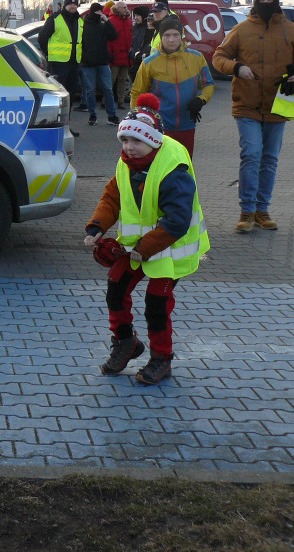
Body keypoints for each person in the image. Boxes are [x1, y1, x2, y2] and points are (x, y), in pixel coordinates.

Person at [83, 93, 209, 385]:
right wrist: (96, 227)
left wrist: (144, 248)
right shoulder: (126, 162)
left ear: (153, 140)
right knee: (116, 287)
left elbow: (177, 220)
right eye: (124, 141)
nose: (129, 147)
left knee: (156, 303)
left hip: (170, 249)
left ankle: (162, 359)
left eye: (136, 141)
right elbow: (112, 198)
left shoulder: (174, 169)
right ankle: (126, 342)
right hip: (138, 248)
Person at [212, 0, 294, 232]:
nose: (266, 3)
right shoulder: (241, 30)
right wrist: (236, 68)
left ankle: (262, 210)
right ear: (255, 1)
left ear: (276, 0)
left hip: (279, 104)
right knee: (251, 155)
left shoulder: (292, 31)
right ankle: (247, 211)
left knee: (270, 159)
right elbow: (218, 57)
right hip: (247, 104)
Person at [128, 14, 214, 157]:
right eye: (167, 35)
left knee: (184, 167)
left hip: (187, 125)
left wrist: (201, 99)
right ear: (161, 37)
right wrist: (139, 120)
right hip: (160, 127)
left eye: (175, 35)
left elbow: (208, 84)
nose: (172, 39)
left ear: (181, 36)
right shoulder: (149, 63)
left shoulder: (197, 58)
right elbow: (137, 93)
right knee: (160, 170)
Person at [38, 0, 84, 113]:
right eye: (70, 4)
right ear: (65, 5)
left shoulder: (80, 20)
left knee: (70, 96)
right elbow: (42, 38)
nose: (73, 6)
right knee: (58, 96)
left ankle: (67, 126)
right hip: (59, 64)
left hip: (74, 63)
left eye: (75, 4)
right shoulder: (55, 18)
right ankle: (57, 124)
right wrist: (49, 54)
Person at [78, 3, 119, 126]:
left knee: (108, 90)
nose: (99, 14)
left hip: (102, 63)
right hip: (88, 63)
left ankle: (111, 116)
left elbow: (114, 36)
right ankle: (92, 115)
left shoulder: (103, 25)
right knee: (90, 91)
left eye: (101, 12)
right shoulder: (84, 25)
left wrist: (107, 21)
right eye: (97, 12)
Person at [107, 1, 133, 104]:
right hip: (115, 55)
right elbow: (108, 40)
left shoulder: (128, 21)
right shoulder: (111, 21)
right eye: (124, 7)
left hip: (126, 55)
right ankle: (107, 101)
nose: (126, 9)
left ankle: (121, 100)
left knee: (122, 80)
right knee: (111, 80)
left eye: (126, 7)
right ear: (117, 8)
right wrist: (109, 55)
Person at [128, 6, 151, 78]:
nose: (135, 18)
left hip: (145, 62)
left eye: (138, 15)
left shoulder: (149, 29)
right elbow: (132, 44)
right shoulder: (135, 28)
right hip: (135, 62)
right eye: (134, 15)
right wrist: (132, 53)